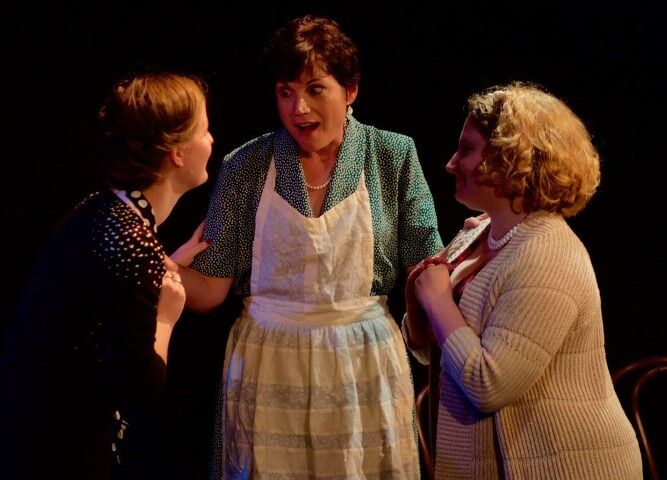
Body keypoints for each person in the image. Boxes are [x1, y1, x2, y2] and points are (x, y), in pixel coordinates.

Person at [174, 15, 442, 479]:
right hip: (269, 368)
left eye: (315, 89)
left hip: (363, 367)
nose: (298, 108)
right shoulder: (246, 165)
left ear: (350, 90)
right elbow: (211, 288)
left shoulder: (391, 155)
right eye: (285, 92)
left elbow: (428, 269)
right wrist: (156, 266)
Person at [403, 82, 643, 479]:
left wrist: (438, 301)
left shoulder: (549, 255)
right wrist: (419, 300)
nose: (450, 163)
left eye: (466, 150)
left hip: (566, 467)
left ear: (510, 160)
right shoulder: (479, 233)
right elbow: (431, 350)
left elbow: (488, 384)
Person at [0, 72, 213, 479]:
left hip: (35, 425)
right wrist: (166, 317)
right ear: (177, 153)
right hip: (59, 446)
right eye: (204, 130)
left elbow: (101, 293)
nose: (211, 139)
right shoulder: (129, 238)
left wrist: (159, 266)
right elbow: (139, 387)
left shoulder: (106, 209)